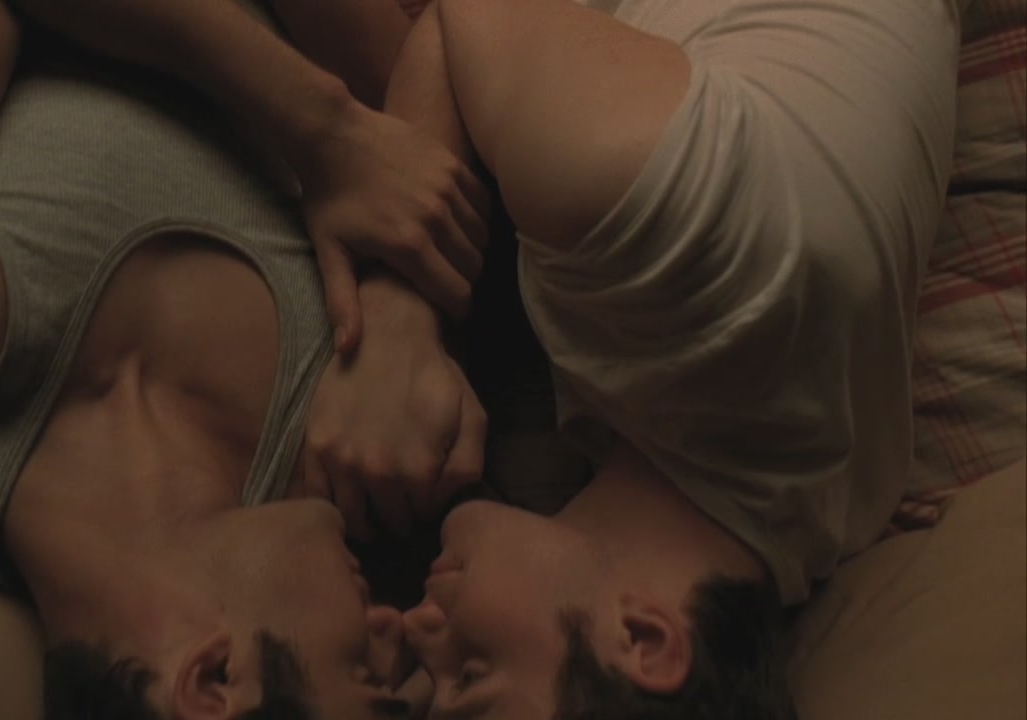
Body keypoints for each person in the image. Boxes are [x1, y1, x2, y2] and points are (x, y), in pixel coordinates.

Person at [0, 0, 492, 717]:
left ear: (214, 681)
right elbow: (463, 47)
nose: (401, 632)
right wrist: (403, 311)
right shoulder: (371, 473)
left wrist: (323, 130)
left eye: (368, 680)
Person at [377, 0, 962, 717]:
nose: (415, 632)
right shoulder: (658, 243)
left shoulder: (820, 520)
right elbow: (458, 15)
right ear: (643, 639)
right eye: (470, 674)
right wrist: (396, 323)